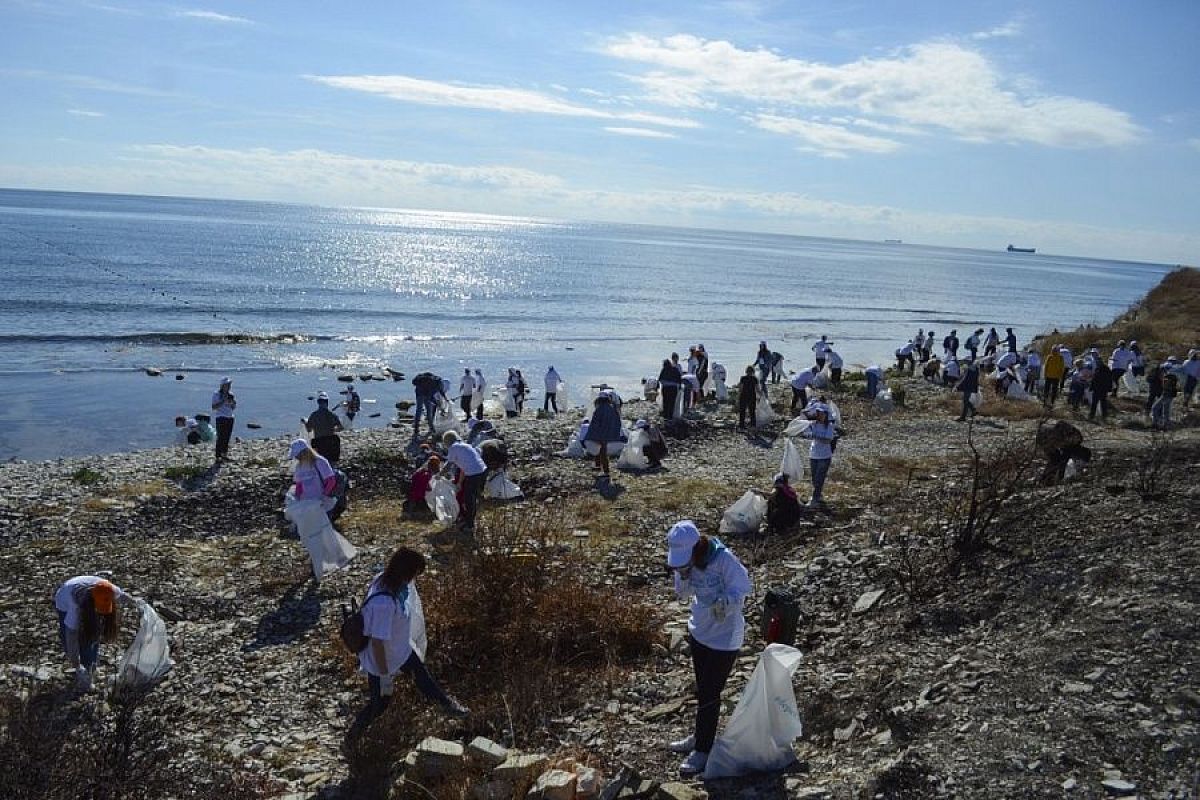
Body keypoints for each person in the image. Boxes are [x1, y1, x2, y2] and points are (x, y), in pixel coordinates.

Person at [663, 521, 752, 777]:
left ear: (697, 547)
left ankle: (703, 749)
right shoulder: (685, 563)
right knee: (703, 689)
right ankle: (700, 735)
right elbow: (682, 594)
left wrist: (726, 602)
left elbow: (743, 586)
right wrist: (683, 575)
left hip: (725, 638)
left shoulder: (723, 558)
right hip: (699, 631)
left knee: (711, 693)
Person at [356, 547, 468, 719]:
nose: (415, 578)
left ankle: (448, 706)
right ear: (406, 572)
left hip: (400, 650)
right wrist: (384, 676)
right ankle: (353, 738)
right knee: (379, 704)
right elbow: (377, 643)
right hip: (381, 659)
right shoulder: (383, 603)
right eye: (415, 573)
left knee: (423, 679)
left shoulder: (386, 582)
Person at [286, 439, 356, 577]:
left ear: (305, 452)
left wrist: (324, 496)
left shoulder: (320, 461)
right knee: (313, 532)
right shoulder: (300, 466)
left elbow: (330, 480)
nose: (296, 458)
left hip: (323, 502)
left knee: (324, 529)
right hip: (309, 505)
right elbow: (299, 485)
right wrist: (298, 500)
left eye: (298, 455)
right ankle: (318, 559)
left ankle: (331, 557)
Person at [54, 575, 135, 691]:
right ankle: (84, 671)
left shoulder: (109, 589)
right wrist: (77, 666)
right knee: (80, 638)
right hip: (64, 600)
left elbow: (122, 596)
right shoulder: (75, 606)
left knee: (94, 632)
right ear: (92, 601)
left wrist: (137, 603)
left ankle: (91, 666)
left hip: (83, 591)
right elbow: (71, 637)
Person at [441, 430, 487, 532]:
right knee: (472, 498)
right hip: (481, 471)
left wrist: (439, 475)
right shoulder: (465, 446)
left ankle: (470, 525)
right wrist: (459, 483)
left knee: (469, 500)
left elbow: (449, 465)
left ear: (447, 441)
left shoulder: (453, 448)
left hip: (474, 474)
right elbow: (463, 468)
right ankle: (470, 520)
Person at [800, 403, 835, 507]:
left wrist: (815, 436)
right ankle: (818, 495)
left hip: (824, 456)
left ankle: (814, 499)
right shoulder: (813, 424)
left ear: (826, 415)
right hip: (813, 455)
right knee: (814, 478)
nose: (820, 415)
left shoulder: (829, 426)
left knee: (819, 478)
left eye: (822, 413)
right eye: (818, 413)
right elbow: (802, 414)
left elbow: (828, 439)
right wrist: (810, 408)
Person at [582, 391, 623, 479]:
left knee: (602, 452)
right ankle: (598, 466)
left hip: (601, 434)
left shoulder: (599, 409)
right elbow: (617, 422)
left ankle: (606, 472)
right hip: (609, 433)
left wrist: (592, 434)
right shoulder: (612, 408)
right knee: (600, 451)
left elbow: (595, 423)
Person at [1036, 421, 1091, 485]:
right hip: (1046, 437)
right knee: (1056, 458)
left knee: (1056, 458)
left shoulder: (1070, 439)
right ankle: (1048, 479)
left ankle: (1048, 479)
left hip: (1047, 436)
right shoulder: (1065, 434)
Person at [304, 391, 344, 464]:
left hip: (319, 443)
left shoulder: (314, 415)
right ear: (327, 402)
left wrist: (305, 423)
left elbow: (309, 430)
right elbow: (341, 427)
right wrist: (333, 429)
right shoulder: (332, 415)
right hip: (331, 442)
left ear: (318, 402)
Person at [411, 371, 447, 440]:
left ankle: (417, 428)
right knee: (428, 411)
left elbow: (440, 392)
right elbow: (431, 397)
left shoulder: (434, 382)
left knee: (419, 410)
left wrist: (445, 398)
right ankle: (431, 428)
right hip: (422, 394)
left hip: (419, 392)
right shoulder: (435, 385)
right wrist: (438, 403)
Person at [211, 376, 236, 461]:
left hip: (230, 417)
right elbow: (214, 407)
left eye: (229, 385)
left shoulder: (231, 394)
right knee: (220, 436)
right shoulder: (216, 394)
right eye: (227, 385)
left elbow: (233, 407)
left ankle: (224, 454)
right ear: (222, 385)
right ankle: (218, 456)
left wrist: (232, 403)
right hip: (220, 417)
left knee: (227, 436)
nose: (228, 386)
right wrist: (223, 401)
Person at [1152, 358, 1181, 429]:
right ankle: (1166, 425)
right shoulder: (1175, 373)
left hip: (1166, 394)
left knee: (1155, 408)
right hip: (1171, 395)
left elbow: (1165, 385)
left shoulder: (1168, 376)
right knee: (1166, 411)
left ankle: (1155, 424)